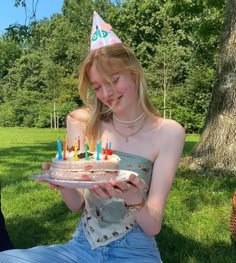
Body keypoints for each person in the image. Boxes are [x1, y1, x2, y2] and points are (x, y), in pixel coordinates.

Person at [0, 11, 185, 262]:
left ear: (135, 73)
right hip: (81, 247)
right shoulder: (83, 122)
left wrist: (132, 197)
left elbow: (153, 226)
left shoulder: (169, 132)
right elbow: (76, 204)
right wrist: (63, 183)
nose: (106, 93)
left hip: (135, 251)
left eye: (113, 80)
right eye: (97, 86)